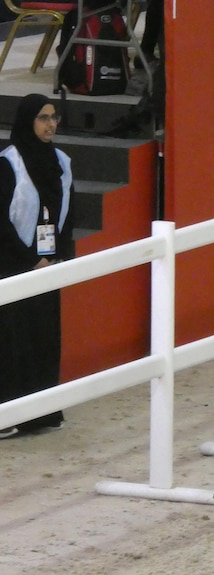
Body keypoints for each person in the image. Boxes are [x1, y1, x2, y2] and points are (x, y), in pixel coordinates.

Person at [0, 94, 75, 439]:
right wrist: (31, 258)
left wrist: (62, 257)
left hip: (49, 265)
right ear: (28, 121)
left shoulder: (61, 161)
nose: (50, 125)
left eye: (54, 117)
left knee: (45, 336)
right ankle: (8, 414)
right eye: (43, 118)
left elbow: (68, 214)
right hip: (13, 264)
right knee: (14, 339)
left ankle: (41, 412)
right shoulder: (8, 163)